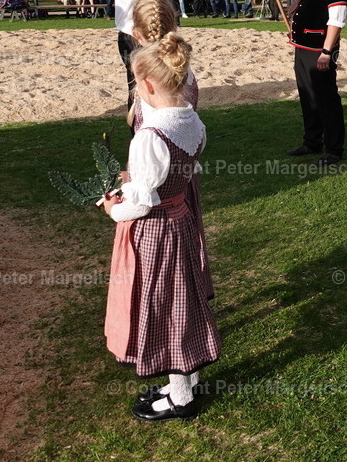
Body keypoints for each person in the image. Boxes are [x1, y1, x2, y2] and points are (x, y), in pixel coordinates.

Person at [100, 33, 219, 422]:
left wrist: (113, 208)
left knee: (167, 308)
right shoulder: (192, 120)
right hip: (181, 220)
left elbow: (142, 202)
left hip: (157, 233)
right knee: (182, 301)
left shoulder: (150, 135)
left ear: (148, 85)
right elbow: (180, 171)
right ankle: (187, 382)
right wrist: (135, 181)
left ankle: (181, 398)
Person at [257, 0, 347, 167]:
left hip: (320, 48)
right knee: (308, 95)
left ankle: (334, 149)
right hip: (302, 45)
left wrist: (327, 52)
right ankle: (312, 141)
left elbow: (337, 19)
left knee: (326, 98)